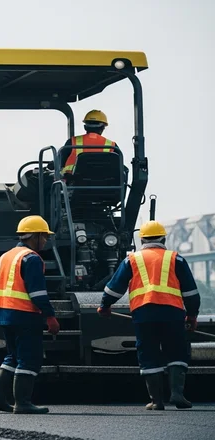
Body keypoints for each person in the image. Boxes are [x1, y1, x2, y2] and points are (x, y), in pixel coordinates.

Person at [98, 221, 200, 410]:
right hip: (172, 312)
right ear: (163, 239)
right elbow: (191, 293)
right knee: (176, 349)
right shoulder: (176, 259)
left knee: (148, 351)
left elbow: (114, 288)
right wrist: (192, 315)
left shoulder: (132, 259)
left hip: (144, 313)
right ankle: (177, 394)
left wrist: (105, 306)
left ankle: (156, 400)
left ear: (142, 239)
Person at [0, 215, 59, 415]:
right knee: (30, 359)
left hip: (4, 313)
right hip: (24, 315)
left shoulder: (6, 256)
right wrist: (50, 316)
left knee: (13, 356)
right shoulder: (31, 258)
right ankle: (23, 402)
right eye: (43, 237)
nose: (45, 241)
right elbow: (37, 293)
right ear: (33, 236)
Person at [59, 110, 121, 176]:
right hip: (106, 184)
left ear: (85, 127)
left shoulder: (72, 142)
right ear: (103, 127)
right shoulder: (112, 146)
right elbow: (119, 167)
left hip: (75, 183)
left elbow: (60, 163)